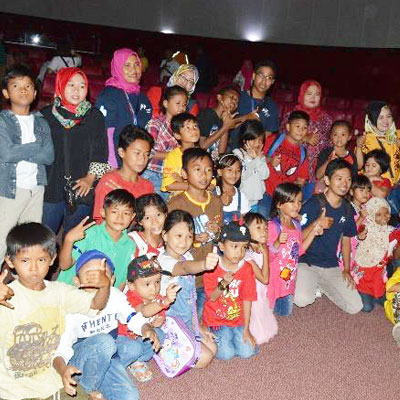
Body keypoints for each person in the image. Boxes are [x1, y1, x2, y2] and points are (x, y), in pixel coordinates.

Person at [0, 222, 110, 400]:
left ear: (52, 259)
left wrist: (104, 286)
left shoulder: (59, 292)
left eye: (41, 260)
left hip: (52, 381)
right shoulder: (5, 296)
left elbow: (96, 305)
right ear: (10, 261)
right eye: (25, 260)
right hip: (14, 391)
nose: (34, 268)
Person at [53, 250, 158, 400]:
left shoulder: (114, 294)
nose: (98, 280)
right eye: (91, 274)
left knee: (130, 395)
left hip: (109, 349)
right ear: (76, 281)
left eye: (103, 274)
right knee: (105, 342)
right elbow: (61, 348)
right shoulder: (72, 305)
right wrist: (63, 369)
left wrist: (146, 328)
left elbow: (131, 316)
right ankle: (87, 389)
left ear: (112, 279)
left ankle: (106, 373)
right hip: (82, 356)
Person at [41, 67, 107, 235]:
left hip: (81, 187)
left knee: (75, 237)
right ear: (60, 85)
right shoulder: (46, 115)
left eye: (82, 85)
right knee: (45, 236)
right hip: (51, 186)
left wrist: (90, 178)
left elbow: (101, 151)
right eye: (71, 85)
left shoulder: (94, 116)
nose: (77, 90)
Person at [294, 159, 363, 314]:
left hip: (331, 265)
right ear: (327, 180)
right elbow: (296, 237)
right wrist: (316, 224)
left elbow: (346, 240)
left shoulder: (347, 209)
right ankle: (310, 281)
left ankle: (321, 285)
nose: (344, 183)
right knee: (302, 300)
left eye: (348, 179)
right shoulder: (314, 203)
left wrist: (346, 269)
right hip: (307, 262)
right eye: (339, 178)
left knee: (355, 307)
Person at [0, 65, 54, 264]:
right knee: (2, 240)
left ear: (35, 92)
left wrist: (20, 151)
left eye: (28, 86)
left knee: (29, 242)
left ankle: (20, 283)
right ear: (6, 93)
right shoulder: (3, 121)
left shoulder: (41, 122)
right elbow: (6, 153)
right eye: (16, 86)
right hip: (9, 190)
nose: (23, 90)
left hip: (36, 189)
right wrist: (35, 147)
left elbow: (48, 156)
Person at [158, 210, 218, 368]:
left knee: (213, 348)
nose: (184, 242)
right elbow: (184, 268)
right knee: (204, 358)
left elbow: (191, 299)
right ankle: (163, 350)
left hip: (187, 319)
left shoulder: (187, 255)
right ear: (165, 235)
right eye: (178, 236)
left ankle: (189, 340)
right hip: (170, 324)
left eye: (189, 236)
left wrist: (197, 325)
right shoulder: (162, 261)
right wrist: (204, 265)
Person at [202, 221, 258, 360]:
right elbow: (212, 297)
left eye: (244, 247)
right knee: (226, 355)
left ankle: (234, 333)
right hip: (216, 320)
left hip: (236, 319)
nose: (240, 252)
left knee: (248, 352)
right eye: (234, 246)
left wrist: (246, 328)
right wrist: (224, 283)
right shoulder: (212, 267)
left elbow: (247, 298)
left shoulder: (246, 268)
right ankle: (211, 331)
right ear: (221, 246)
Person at [58, 189, 136, 289]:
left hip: (100, 300)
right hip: (70, 291)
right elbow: (64, 265)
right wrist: (69, 239)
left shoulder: (130, 245)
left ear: (132, 217)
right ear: (103, 213)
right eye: (114, 211)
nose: (120, 217)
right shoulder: (89, 234)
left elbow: (120, 281)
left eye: (126, 213)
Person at [118, 255, 179, 381]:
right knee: (133, 348)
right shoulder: (130, 298)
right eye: (147, 284)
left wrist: (159, 321)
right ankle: (127, 362)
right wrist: (166, 301)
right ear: (132, 286)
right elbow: (144, 312)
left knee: (160, 334)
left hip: (142, 336)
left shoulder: (156, 297)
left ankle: (139, 360)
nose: (154, 288)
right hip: (125, 339)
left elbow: (159, 315)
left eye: (157, 282)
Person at [268, 183, 322, 316]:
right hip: (272, 283)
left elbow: (299, 251)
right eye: (291, 202)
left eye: (299, 201)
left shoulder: (297, 225)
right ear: (279, 204)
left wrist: (313, 233)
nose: (297, 205)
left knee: (285, 313)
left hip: (289, 280)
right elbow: (267, 257)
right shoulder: (272, 226)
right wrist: (276, 243)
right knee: (267, 313)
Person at [96, 48, 152, 167]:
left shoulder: (143, 98)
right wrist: (113, 164)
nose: (133, 70)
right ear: (118, 67)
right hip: (115, 161)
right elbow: (107, 133)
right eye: (127, 65)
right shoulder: (109, 95)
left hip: (138, 162)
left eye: (137, 64)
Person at [93, 125, 154, 224]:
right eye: (137, 153)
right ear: (121, 152)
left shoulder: (148, 186)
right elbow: (100, 221)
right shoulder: (110, 181)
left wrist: (126, 198)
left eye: (146, 154)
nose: (143, 158)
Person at [281, 80, 332, 195]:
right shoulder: (291, 116)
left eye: (317, 94)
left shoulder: (326, 119)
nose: (313, 97)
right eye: (309, 94)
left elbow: (329, 144)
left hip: (316, 172)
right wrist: (304, 138)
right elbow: (282, 138)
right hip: (292, 168)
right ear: (302, 95)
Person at [353, 198, 399, 312]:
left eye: (387, 213)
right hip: (365, 274)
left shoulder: (390, 230)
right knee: (367, 308)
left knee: (386, 301)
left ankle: (374, 293)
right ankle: (356, 291)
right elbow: (352, 235)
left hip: (378, 273)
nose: (384, 217)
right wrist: (359, 236)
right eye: (379, 214)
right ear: (372, 214)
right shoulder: (365, 228)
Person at [262, 110, 310, 217]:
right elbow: (257, 158)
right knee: (263, 220)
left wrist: (293, 198)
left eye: (304, 128)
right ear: (288, 127)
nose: (301, 130)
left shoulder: (303, 153)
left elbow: (301, 179)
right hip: (266, 192)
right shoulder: (274, 140)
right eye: (297, 126)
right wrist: (270, 160)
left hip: (285, 200)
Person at [143, 85, 188, 197]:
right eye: (178, 104)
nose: (182, 108)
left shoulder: (184, 128)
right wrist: (173, 155)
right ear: (166, 104)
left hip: (171, 176)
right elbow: (148, 152)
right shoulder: (156, 123)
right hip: (152, 173)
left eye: (184, 105)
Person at [243, 212, 278, 344]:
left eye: (265, 228)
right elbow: (264, 279)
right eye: (258, 228)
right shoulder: (247, 256)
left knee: (269, 323)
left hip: (263, 292)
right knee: (260, 334)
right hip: (252, 295)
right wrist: (265, 255)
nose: (264, 231)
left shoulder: (263, 248)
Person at [234, 60, 279, 149]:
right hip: (233, 149)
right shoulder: (238, 97)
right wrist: (245, 118)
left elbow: (267, 135)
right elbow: (227, 125)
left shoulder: (272, 106)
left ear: (272, 82)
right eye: (261, 75)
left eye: (268, 77)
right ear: (254, 76)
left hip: (254, 154)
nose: (264, 81)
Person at [316, 120, 364, 193]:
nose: (339, 138)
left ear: (349, 137)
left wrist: (359, 147)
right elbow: (318, 175)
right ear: (331, 136)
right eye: (335, 135)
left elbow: (359, 166)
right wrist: (328, 161)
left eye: (343, 135)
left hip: (346, 189)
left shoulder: (350, 155)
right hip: (328, 189)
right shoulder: (326, 153)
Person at [233, 120, 269, 213]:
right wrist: (252, 160)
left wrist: (258, 158)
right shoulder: (238, 154)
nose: (257, 143)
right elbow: (242, 176)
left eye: (260, 140)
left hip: (256, 201)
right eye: (253, 139)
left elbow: (265, 175)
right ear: (245, 139)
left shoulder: (260, 156)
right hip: (242, 201)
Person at [198, 85, 242, 160]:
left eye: (237, 101)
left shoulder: (226, 120)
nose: (234, 101)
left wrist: (226, 125)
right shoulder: (207, 114)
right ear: (219, 98)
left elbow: (221, 152)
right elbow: (203, 146)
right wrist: (225, 127)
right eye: (232, 97)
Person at [160, 113, 201, 195]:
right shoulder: (172, 156)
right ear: (177, 135)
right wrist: (197, 185)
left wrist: (182, 182)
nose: (193, 130)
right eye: (187, 128)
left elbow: (211, 185)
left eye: (195, 126)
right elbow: (169, 185)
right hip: (180, 200)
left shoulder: (203, 155)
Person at [362, 101, 400, 186]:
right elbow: (361, 168)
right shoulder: (366, 141)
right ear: (372, 120)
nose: (385, 121)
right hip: (377, 185)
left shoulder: (398, 135)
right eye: (380, 117)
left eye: (388, 116)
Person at [215, 153, 251, 224]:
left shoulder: (241, 197)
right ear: (220, 172)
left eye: (238, 171)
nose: (234, 174)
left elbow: (245, 221)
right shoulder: (213, 192)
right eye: (230, 170)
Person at [129, 193, 167, 258]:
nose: (155, 222)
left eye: (158, 215)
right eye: (147, 218)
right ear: (140, 222)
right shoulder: (132, 241)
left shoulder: (170, 241)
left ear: (166, 215)